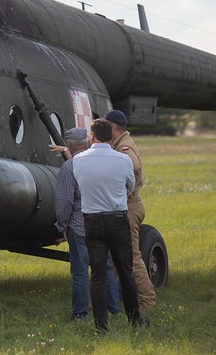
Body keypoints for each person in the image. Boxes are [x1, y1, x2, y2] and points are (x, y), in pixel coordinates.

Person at [72, 118, 149, 331]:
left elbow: (80, 181)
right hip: (117, 219)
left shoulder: (79, 160)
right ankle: (135, 319)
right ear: (111, 135)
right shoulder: (122, 160)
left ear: (92, 136)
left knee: (97, 275)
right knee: (126, 272)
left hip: (92, 221)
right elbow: (130, 185)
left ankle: (101, 325)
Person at [51, 127, 122, 321]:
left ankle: (80, 314)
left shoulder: (69, 167)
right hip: (106, 222)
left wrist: (62, 225)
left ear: (69, 146)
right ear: (87, 141)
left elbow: (65, 201)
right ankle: (114, 309)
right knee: (105, 268)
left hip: (80, 226)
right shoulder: (104, 162)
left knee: (80, 272)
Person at [105, 109, 156, 315]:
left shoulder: (124, 147)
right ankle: (112, 302)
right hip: (129, 206)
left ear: (113, 128)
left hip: (130, 207)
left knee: (133, 258)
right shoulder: (121, 143)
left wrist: (125, 186)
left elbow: (132, 165)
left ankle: (147, 302)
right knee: (117, 260)